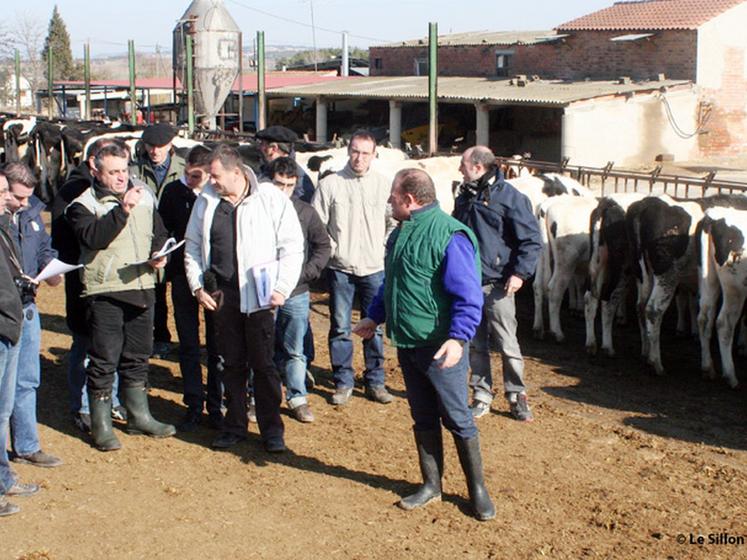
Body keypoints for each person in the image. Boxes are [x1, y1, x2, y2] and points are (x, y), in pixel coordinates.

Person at [354, 168, 495, 521]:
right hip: (407, 343)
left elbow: (468, 294)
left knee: (458, 418)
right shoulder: (400, 234)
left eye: (393, 196)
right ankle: (432, 484)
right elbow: (394, 285)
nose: (389, 201)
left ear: (409, 199)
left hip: (440, 347)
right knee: (422, 417)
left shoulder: (450, 235)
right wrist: (375, 317)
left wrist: (459, 339)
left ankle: (477, 490)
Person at [184, 144, 303, 452]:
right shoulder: (207, 202)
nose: (211, 181)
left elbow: (292, 245)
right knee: (231, 363)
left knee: (263, 364)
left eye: (216, 175)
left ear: (236, 173)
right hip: (223, 295)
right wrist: (198, 286)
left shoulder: (270, 198)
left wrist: (282, 286)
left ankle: (271, 430)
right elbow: (192, 247)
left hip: (262, 296)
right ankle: (234, 424)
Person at [66, 142, 176, 452]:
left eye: (124, 170)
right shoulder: (82, 205)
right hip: (106, 291)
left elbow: (159, 230)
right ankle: (101, 425)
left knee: (138, 356)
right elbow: (93, 237)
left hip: (142, 285)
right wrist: (122, 210)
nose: (120, 177)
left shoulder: (143, 196)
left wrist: (159, 252)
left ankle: (139, 415)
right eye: (113, 172)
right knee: (104, 359)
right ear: (95, 171)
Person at [452, 146, 541, 422]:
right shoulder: (464, 196)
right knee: (475, 342)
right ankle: (481, 394)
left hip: (499, 283)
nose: (459, 170)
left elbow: (531, 240)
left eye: (463, 165)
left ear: (478, 167)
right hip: (469, 282)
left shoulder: (511, 198)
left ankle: (516, 395)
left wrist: (520, 273)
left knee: (507, 342)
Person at [312, 129, 396, 406]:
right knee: (339, 326)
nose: (359, 158)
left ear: (374, 155)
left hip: (374, 267)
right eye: (355, 151)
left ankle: (375, 381)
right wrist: (333, 250)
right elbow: (317, 225)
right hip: (341, 268)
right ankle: (343, 381)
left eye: (365, 153)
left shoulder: (384, 185)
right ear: (348, 151)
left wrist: (383, 247)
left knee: (376, 327)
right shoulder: (330, 184)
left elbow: (394, 221)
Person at [51, 138, 126, 433]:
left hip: (114, 279)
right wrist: (64, 264)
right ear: (95, 164)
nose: (120, 174)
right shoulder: (74, 192)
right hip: (82, 275)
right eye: (111, 165)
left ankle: (112, 398)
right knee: (85, 341)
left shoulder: (120, 190)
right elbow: (63, 233)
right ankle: (82, 405)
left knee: (111, 343)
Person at [158, 145, 223, 432]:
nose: (189, 181)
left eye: (195, 176)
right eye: (186, 174)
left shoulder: (218, 196)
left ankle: (217, 402)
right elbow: (161, 229)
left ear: (209, 174)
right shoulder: (174, 192)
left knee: (217, 343)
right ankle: (193, 402)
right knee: (187, 341)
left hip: (214, 277)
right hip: (183, 275)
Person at [4, 163, 63, 468]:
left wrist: (51, 270)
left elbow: (44, 248)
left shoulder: (31, 212)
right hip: (5, 310)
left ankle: (27, 445)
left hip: (28, 307)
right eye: (18, 197)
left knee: (27, 379)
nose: (25, 204)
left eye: (28, 197)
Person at [266, 157, 330, 423]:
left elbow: (323, 246)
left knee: (295, 348)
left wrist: (305, 274)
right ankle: (259, 396)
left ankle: (297, 396)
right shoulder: (256, 211)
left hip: (296, 291)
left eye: (289, 185)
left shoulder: (305, 212)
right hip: (264, 291)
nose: (284, 191)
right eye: (279, 184)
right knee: (262, 347)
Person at [0, 169, 40, 517]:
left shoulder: (11, 222)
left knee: (8, 402)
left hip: (14, 318)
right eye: (3, 192)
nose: (7, 200)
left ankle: (4, 476)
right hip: (5, 321)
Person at [131, 123, 186, 359]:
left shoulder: (184, 168)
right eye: (150, 146)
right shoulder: (133, 171)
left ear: (170, 145)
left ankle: (187, 340)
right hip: (148, 237)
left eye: (160, 146)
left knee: (183, 291)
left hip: (179, 236)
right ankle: (160, 335)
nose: (155, 151)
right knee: (155, 290)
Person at [256, 125, 315, 202]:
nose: (260, 148)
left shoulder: (300, 179)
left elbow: (303, 209)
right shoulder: (266, 170)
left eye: (263, 144)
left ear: (274, 148)